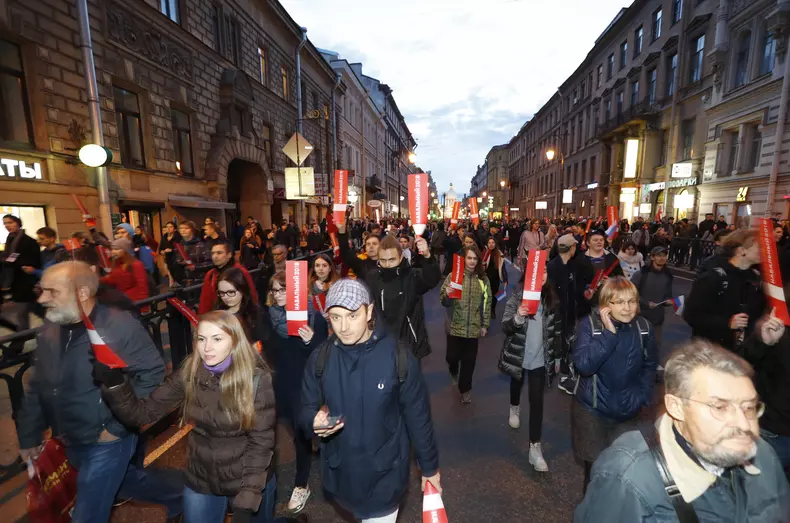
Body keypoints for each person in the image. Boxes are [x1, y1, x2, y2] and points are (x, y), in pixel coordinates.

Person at [16, 262, 183, 523]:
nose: (42, 299)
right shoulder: (53, 325)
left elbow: (152, 373)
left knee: (88, 513)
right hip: (70, 436)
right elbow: (39, 383)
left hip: (107, 439)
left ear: (82, 293)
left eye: (52, 291)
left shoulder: (119, 326)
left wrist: (117, 427)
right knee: (125, 483)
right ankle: (180, 495)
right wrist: (28, 434)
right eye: (42, 290)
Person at [92, 310, 288, 523]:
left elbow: (260, 444)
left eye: (217, 339)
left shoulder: (256, 380)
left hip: (247, 479)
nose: (207, 348)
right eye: (202, 339)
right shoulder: (190, 372)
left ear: (234, 341)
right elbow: (141, 414)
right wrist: (116, 384)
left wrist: (247, 502)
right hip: (202, 478)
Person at [575, 340, 790, 522]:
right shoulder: (628, 479)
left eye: (749, 407)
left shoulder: (761, 453)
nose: (744, 425)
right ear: (677, 407)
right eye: (720, 407)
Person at [299, 279, 441, 522]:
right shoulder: (321, 358)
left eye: (352, 315)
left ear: (369, 312)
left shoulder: (398, 356)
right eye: (336, 317)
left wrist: (429, 467)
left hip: (385, 478)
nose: (343, 327)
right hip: (341, 475)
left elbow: (418, 416)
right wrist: (312, 421)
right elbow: (304, 409)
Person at [572, 276, 658, 493]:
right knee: (594, 474)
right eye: (619, 302)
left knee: (622, 472)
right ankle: (591, 510)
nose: (627, 308)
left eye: (631, 301)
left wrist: (642, 395)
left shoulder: (644, 328)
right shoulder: (589, 325)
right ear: (605, 305)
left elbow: (650, 365)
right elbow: (584, 366)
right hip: (592, 411)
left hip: (628, 413)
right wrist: (609, 334)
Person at [263, 272, 328, 513]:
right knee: (278, 429)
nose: (278, 294)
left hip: (303, 384)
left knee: (300, 435)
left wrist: (311, 341)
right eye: (275, 290)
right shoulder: (268, 318)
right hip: (278, 383)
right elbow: (267, 350)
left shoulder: (313, 317)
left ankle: (301, 484)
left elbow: (323, 354)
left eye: (283, 289)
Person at [339, 225, 441, 360]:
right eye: (383, 260)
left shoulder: (412, 276)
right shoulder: (372, 277)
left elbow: (432, 279)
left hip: (409, 344)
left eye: (392, 260)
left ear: (400, 257)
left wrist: (427, 256)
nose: (387, 265)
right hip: (381, 343)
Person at [498, 264, 562, 472]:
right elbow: (505, 326)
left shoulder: (552, 299)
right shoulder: (517, 298)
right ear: (528, 275)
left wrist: (557, 356)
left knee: (537, 402)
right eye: (537, 271)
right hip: (520, 355)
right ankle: (514, 407)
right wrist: (518, 316)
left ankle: (535, 448)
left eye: (545, 271)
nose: (541, 275)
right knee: (516, 383)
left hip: (540, 360)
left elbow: (556, 330)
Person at [684, 229, 766, 352]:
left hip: (741, 351)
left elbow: (757, 313)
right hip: (711, 350)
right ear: (741, 250)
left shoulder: (756, 279)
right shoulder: (714, 276)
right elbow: (691, 315)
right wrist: (727, 323)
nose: (764, 250)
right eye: (759, 246)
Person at [439, 244, 492, 403]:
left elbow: (487, 302)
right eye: (469, 258)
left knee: (469, 362)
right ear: (464, 259)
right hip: (455, 326)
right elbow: (444, 301)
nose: (472, 261)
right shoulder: (454, 276)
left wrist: (485, 324)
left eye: (475, 258)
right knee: (452, 357)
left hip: (473, 329)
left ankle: (465, 390)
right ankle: (453, 370)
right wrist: (447, 294)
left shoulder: (483, 279)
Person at [548, 234, 583, 394]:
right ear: (571, 247)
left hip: (569, 312)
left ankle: (565, 373)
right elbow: (550, 293)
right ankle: (561, 376)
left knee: (568, 342)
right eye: (575, 245)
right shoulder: (553, 266)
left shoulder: (571, 265)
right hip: (558, 314)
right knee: (560, 344)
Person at [631, 246, 674, 362]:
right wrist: (646, 303)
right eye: (659, 255)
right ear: (652, 257)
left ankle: (651, 366)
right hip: (640, 315)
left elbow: (667, 294)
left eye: (664, 256)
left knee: (655, 344)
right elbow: (631, 292)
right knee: (639, 344)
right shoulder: (641, 274)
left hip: (657, 317)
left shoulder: (668, 276)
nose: (662, 258)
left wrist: (668, 301)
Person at [1, 214, 41, 337]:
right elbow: (9, 257)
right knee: (31, 309)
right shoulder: (10, 239)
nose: (7, 225)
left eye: (10, 222)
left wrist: (11, 262)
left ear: (18, 223)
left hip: (26, 281)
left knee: (24, 311)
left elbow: (34, 261)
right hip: (16, 280)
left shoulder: (29, 241)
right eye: (5, 223)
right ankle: (23, 336)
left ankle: (20, 340)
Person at [198, 241, 258, 314]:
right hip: (217, 316)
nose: (215, 256)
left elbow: (251, 296)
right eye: (213, 253)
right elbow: (205, 300)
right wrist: (203, 317)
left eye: (219, 253)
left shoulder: (240, 271)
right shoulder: (210, 274)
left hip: (239, 315)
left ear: (229, 255)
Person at [217, 267, 269, 351]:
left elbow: (262, 343)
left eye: (231, 292)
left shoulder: (255, 314)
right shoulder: (217, 314)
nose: (225, 297)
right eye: (221, 293)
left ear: (242, 290)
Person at [577, 229, 624, 318]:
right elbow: (576, 282)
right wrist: (586, 291)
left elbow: (621, 278)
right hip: (587, 304)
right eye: (595, 240)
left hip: (609, 300)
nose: (599, 242)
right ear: (588, 243)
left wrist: (611, 281)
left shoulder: (612, 258)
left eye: (601, 240)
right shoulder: (580, 259)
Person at [100, 237, 150, 302]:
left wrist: (122, 297)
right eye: (112, 249)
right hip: (122, 300)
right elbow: (112, 279)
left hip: (133, 303)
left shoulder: (136, 265)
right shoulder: (118, 264)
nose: (113, 252)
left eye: (116, 249)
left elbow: (142, 291)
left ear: (125, 250)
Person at [173, 221, 212, 285]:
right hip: (184, 282)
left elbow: (211, 262)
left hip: (200, 281)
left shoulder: (201, 245)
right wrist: (180, 263)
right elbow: (176, 263)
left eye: (186, 228)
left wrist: (196, 266)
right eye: (181, 228)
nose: (183, 230)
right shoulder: (179, 246)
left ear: (192, 230)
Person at [483, 235, 507, 318]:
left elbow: (503, 268)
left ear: (495, 244)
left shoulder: (499, 254)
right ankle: (486, 310)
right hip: (486, 278)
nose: (491, 244)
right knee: (487, 295)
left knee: (494, 295)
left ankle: (492, 310)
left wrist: (505, 279)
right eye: (489, 243)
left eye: (493, 242)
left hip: (496, 278)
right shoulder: (485, 253)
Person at [310, 253, 339, 318]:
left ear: (330, 268)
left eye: (324, 266)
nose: (321, 268)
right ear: (314, 268)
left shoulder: (338, 285)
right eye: (317, 265)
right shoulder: (308, 286)